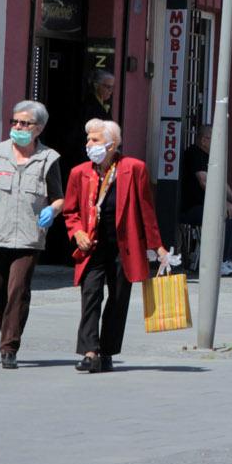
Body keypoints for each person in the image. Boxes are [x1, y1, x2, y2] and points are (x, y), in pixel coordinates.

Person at [0, 100, 63, 369]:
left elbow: (59, 198)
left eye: (24, 123)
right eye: (14, 122)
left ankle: (9, 348)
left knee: (18, 290)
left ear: (38, 128)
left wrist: (52, 210)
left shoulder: (48, 159)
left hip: (28, 238)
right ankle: (9, 328)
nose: (17, 127)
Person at [62, 119, 168, 374]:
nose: (89, 145)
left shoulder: (134, 169)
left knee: (118, 300)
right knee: (90, 296)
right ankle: (90, 352)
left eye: (95, 140)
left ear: (112, 144)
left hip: (124, 247)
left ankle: (107, 352)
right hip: (92, 246)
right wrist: (77, 233)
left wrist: (158, 246)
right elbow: (70, 211)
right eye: (88, 140)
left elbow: (146, 211)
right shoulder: (79, 172)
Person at [179, 125, 232, 276]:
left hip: (206, 205)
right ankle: (219, 261)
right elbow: (204, 181)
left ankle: (230, 259)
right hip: (191, 207)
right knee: (226, 213)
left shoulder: (212, 157)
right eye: (215, 139)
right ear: (205, 140)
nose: (219, 143)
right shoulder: (194, 153)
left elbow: (223, 184)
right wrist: (223, 204)